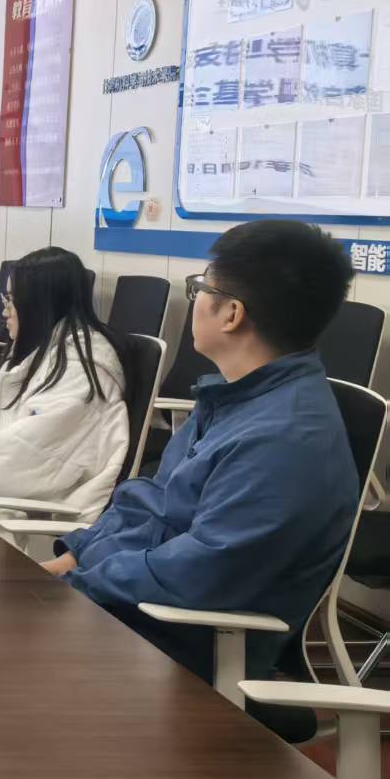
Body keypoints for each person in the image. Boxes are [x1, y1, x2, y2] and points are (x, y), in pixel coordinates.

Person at [42, 220, 358, 687]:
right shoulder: (236, 397)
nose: (196, 300)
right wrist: (76, 557)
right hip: (134, 618)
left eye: (200, 288)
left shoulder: (285, 439)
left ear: (231, 314)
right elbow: (153, 503)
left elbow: (198, 573)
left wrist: (79, 583)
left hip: (175, 654)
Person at [0, 248, 130, 523]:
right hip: (2, 496)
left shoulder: (80, 372)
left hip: (33, 512)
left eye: (11, 301)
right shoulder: (42, 353)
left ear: (38, 304)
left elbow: (24, 458)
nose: (4, 311)